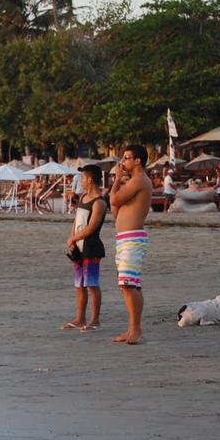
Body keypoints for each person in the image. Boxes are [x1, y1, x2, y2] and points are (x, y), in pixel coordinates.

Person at [109, 145, 152, 345]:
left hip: (132, 239)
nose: (123, 162)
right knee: (130, 284)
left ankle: (136, 330)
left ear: (138, 161)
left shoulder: (140, 180)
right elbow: (115, 208)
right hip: (126, 238)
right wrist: (120, 183)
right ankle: (132, 328)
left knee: (128, 284)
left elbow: (115, 198)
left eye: (127, 158)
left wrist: (117, 179)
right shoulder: (134, 182)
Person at [63, 165, 106, 332]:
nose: (81, 181)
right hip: (79, 248)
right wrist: (72, 238)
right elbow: (77, 220)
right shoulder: (83, 197)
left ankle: (95, 320)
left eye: (83, 178)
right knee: (79, 285)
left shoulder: (99, 202)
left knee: (92, 284)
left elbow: (91, 228)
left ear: (90, 179)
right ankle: (79, 318)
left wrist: (74, 237)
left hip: (91, 248)